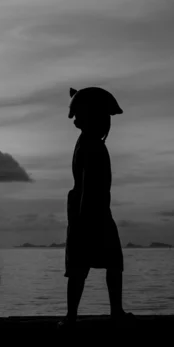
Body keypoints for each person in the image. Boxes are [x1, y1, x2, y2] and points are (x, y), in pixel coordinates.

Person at [58, 86, 135, 329]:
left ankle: (82, 315)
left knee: (102, 264)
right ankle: (81, 316)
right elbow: (89, 185)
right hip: (92, 210)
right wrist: (83, 217)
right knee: (92, 265)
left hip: (91, 209)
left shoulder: (88, 143)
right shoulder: (92, 146)